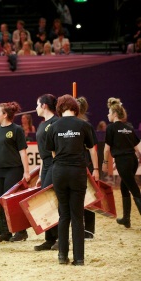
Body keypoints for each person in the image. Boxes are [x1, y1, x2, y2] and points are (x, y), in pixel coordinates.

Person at [45, 94, 99, 266]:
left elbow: (51, 152)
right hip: (77, 172)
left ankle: (62, 255)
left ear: (60, 108)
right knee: (77, 215)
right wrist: (96, 169)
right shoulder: (84, 125)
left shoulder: (53, 126)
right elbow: (91, 148)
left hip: (59, 171)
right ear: (75, 108)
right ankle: (79, 258)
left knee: (63, 214)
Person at [0, 102, 31, 242]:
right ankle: (5, 232)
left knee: (11, 200)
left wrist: (26, 171)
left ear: (5, 114)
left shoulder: (16, 130)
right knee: (1, 200)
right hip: (0, 171)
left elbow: (23, 152)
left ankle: (21, 231)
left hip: (14, 169)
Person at [103, 97, 141, 228]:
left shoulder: (111, 128)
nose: (108, 115)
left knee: (135, 190)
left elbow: (107, 148)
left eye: (109, 112)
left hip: (122, 161)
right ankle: (126, 219)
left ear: (114, 114)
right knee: (125, 187)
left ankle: (127, 218)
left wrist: (105, 162)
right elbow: (138, 147)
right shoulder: (128, 127)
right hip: (132, 160)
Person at [33, 94, 59, 251]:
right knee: (46, 202)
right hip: (46, 165)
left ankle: (59, 239)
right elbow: (42, 153)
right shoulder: (42, 125)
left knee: (53, 202)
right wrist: (41, 174)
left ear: (44, 106)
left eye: (37, 104)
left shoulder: (56, 122)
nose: (35, 107)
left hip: (55, 164)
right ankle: (49, 238)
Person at [77, 97, 98, 240]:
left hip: (85, 165)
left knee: (88, 197)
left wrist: (96, 168)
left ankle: (89, 229)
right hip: (73, 165)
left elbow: (93, 149)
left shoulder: (86, 126)